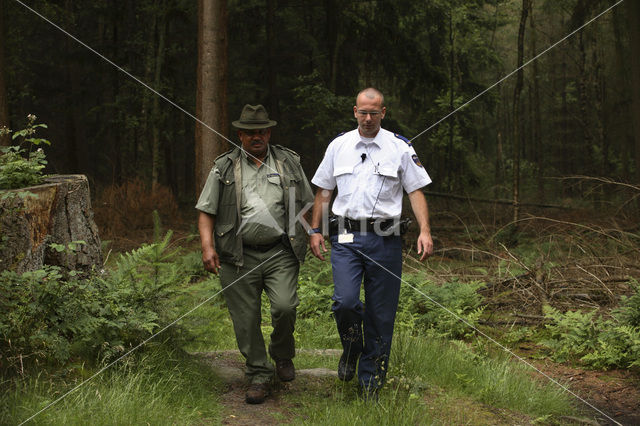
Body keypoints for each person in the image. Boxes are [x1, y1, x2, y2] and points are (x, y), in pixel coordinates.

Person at [309, 88, 434, 398]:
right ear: (354, 111)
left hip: (385, 242)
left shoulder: (399, 147)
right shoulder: (339, 145)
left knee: (381, 313)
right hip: (346, 238)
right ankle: (351, 348)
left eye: (373, 113)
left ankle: (370, 384)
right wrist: (315, 230)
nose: (367, 118)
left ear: (383, 112)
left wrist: (425, 230)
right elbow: (324, 190)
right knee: (346, 302)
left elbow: (415, 191)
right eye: (363, 112)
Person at [196, 104, 313, 404]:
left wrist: (311, 232)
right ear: (241, 135)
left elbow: (307, 203)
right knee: (245, 320)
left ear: (269, 132)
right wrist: (208, 247)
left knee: (285, 307)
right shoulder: (224, 166)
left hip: (280, 251)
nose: (256, 137)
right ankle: (259, 373)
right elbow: (206, 210)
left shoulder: (288, 161)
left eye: (261, 131)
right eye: (250, 133)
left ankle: (282, 355)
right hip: (238, 255)